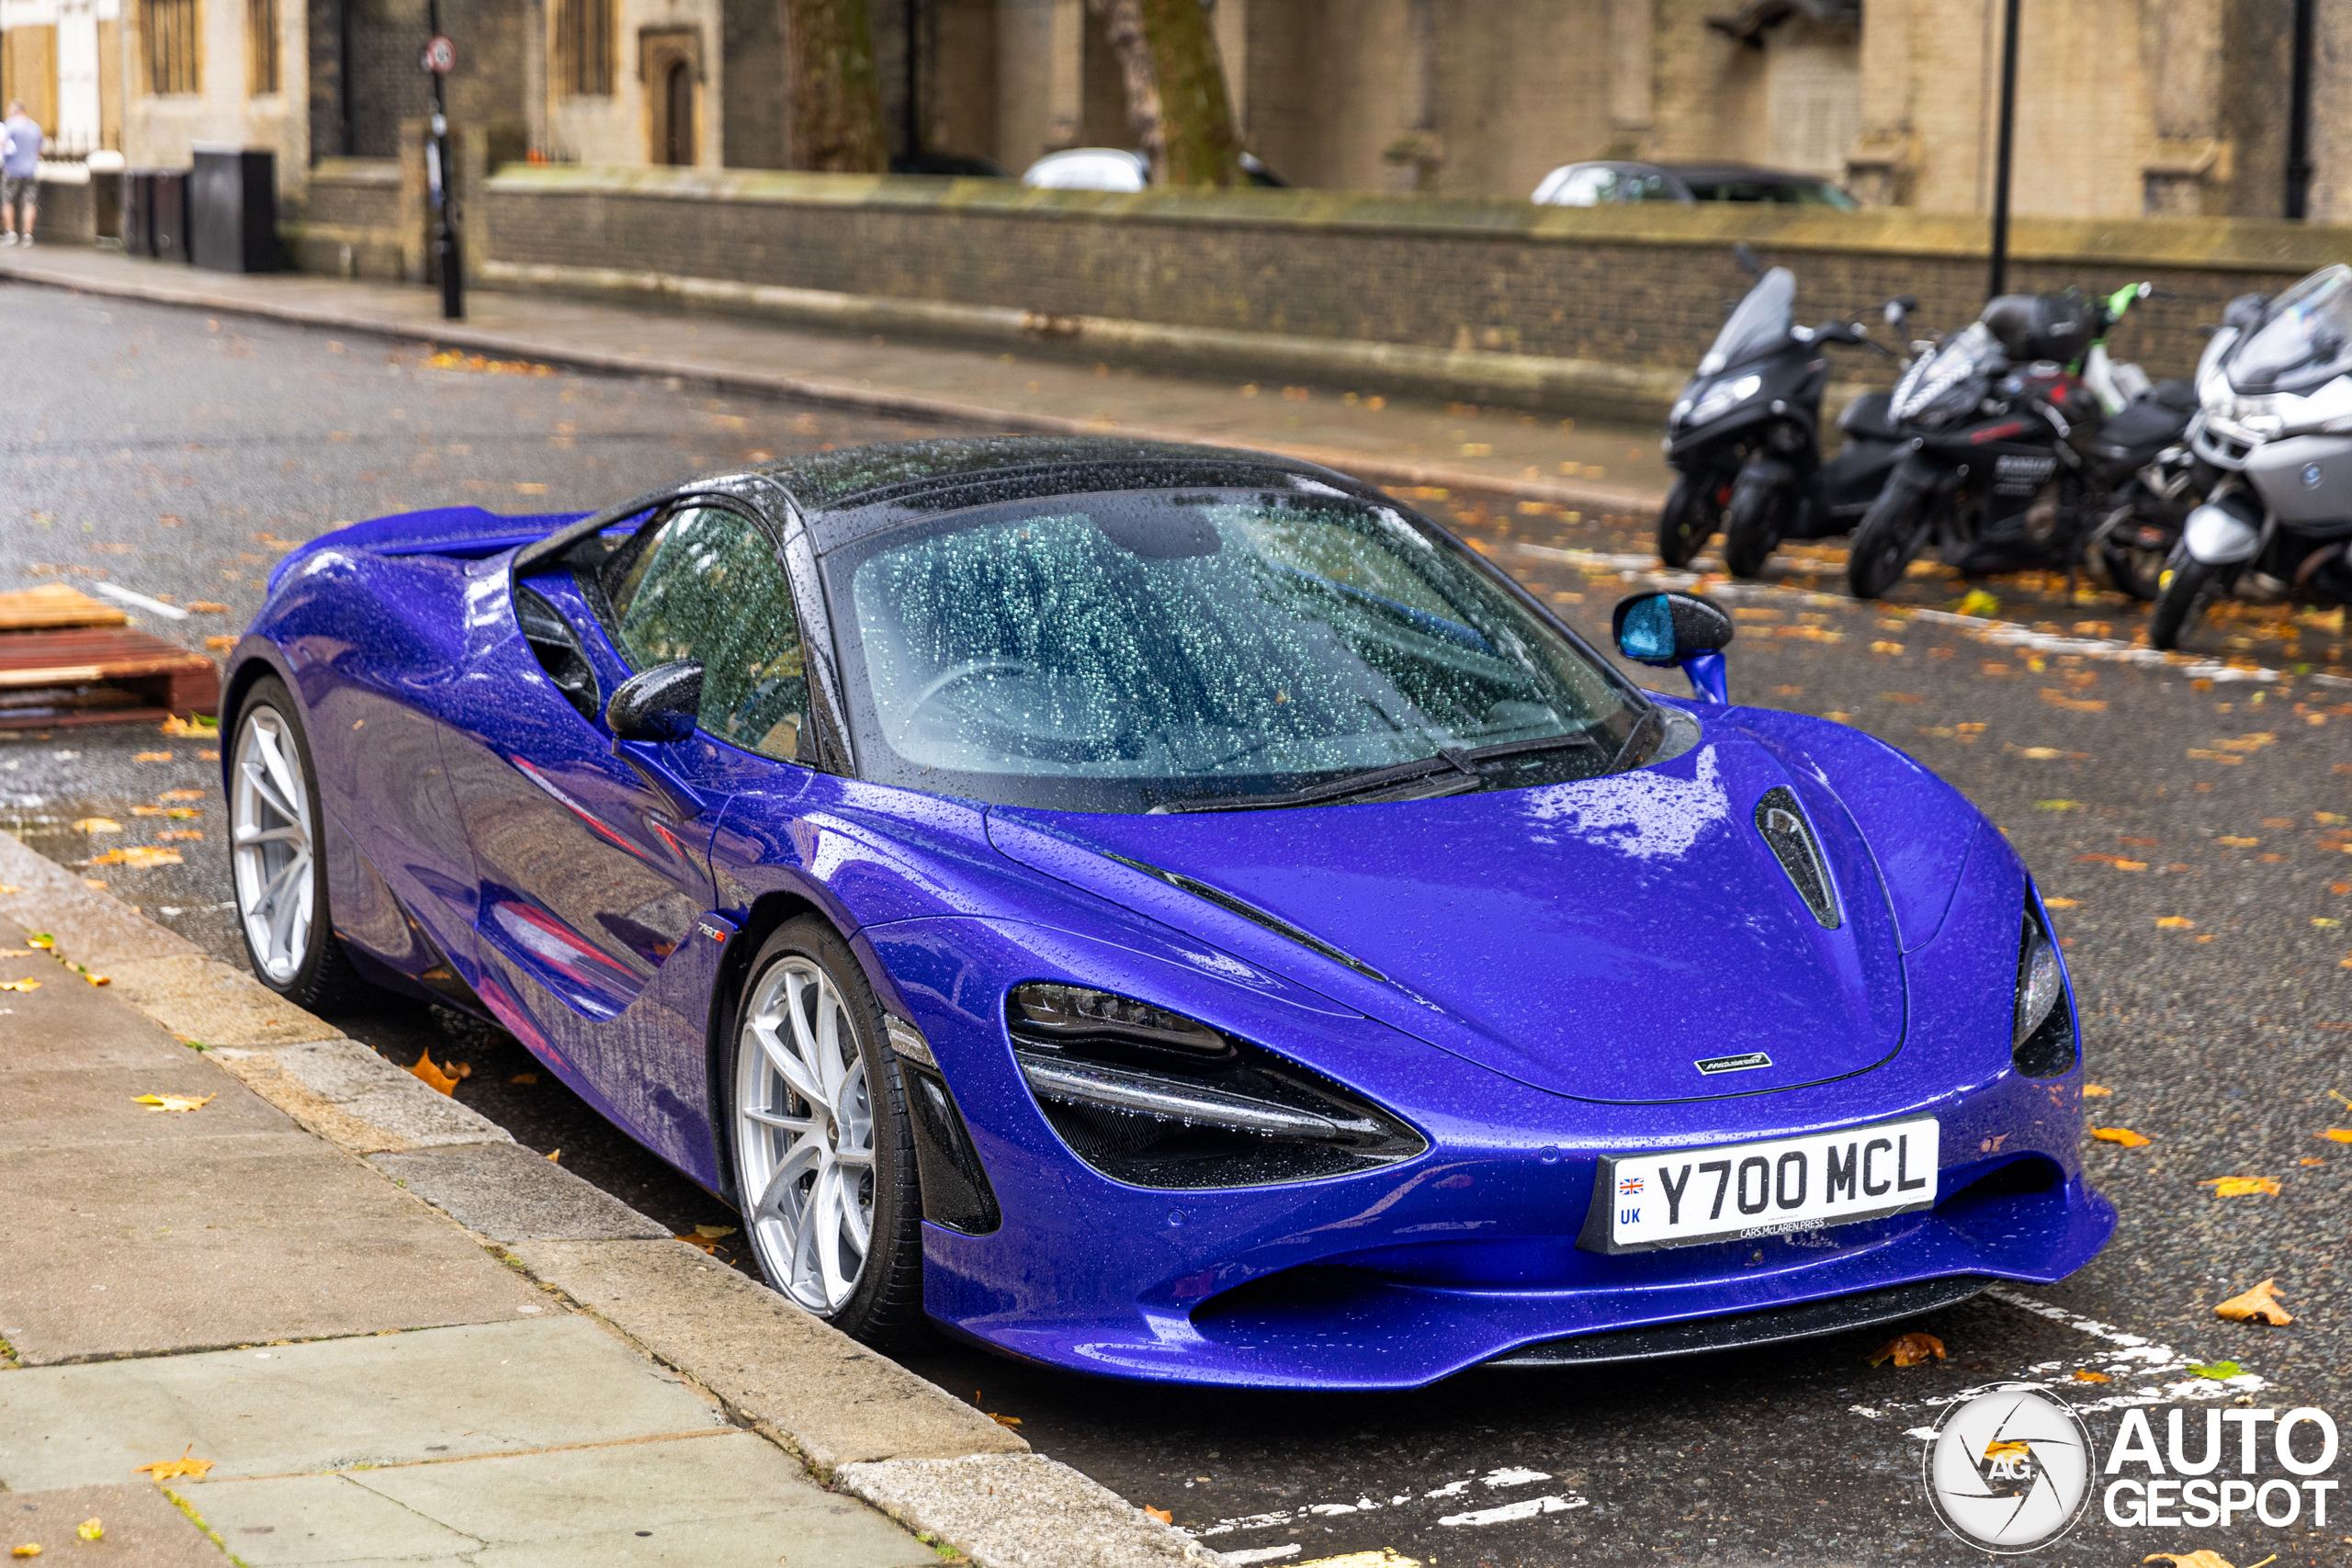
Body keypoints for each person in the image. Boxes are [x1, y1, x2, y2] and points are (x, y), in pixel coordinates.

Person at [2, 101, 41, 246]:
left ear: (13, 111)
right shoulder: (35, 127)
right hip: (30, 170)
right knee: (30, 202)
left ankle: (10, 232)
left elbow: (3, 143)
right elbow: (39, 149)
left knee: (8, 200)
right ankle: (27, 234)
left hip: (12, 170)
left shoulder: (10, 125)